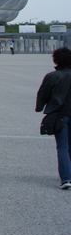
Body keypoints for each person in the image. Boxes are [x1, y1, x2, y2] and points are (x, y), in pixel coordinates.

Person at [35, 47, 71, 190]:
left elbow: (42, 93)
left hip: (59, 115)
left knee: (62, 146)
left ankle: (66, 178)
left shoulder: (52, 76)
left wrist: (39, 107)